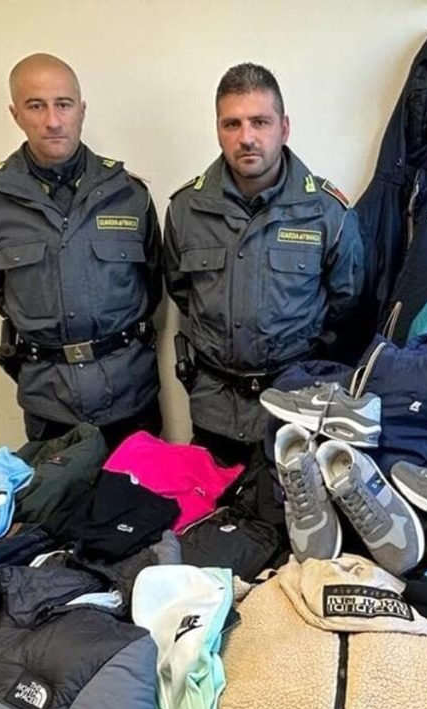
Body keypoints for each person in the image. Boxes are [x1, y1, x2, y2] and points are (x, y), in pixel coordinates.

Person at [165, 63, 364, 466]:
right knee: (207, 505)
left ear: (284, 127)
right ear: (218, 130)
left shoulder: (328, 213)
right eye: (232, 124)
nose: (246, 138)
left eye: (260, 122)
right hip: (213, 409)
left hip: (295, 410)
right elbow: (182, 292)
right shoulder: (185, 210)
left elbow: (346, 307)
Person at [0, 53, 163, 449]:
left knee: (143, 490)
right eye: (36, 106)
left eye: (64, 104)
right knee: (56, 492)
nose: (53, 121)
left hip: (131, 395)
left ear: (81, 110)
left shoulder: (129, 194)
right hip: (49, 402)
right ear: (15, 114)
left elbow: (154, 281)